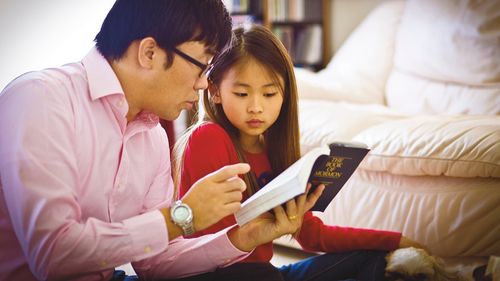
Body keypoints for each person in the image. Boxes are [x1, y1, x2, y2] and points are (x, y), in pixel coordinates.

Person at [0, 1, 323, 280]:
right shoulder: (41, 99)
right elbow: (53, 256)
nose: (202, 85)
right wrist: (180, 217)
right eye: (201, 66)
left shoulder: (153, 135)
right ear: (149, 52)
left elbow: (156, 263)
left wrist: (242, 237)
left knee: (254, 274)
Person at [174, 25, 427, 281]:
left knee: (377, 259)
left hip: (267, 274)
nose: (256, 107)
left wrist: (396, 240)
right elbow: (212, 247)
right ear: (215, 91)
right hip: (226, 275)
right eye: (241, 94)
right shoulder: (208, 138)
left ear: (285, 94)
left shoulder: (273, 149)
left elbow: (311, 236)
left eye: (270, 93)